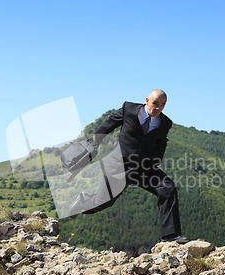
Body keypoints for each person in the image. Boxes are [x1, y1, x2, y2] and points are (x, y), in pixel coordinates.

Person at [69, 89, 189, 244]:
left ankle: (171, 236)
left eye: (162, 105)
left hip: (144, 169)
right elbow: (112, 120)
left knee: (168, 188)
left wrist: (157, 160)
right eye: (155, 104)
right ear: (147, 100)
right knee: (103, 202)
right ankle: (82, 202)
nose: (158, 108)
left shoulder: (165, 123)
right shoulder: (129, 109)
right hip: (120, 166)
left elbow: (162, 141)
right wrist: (98, 136)